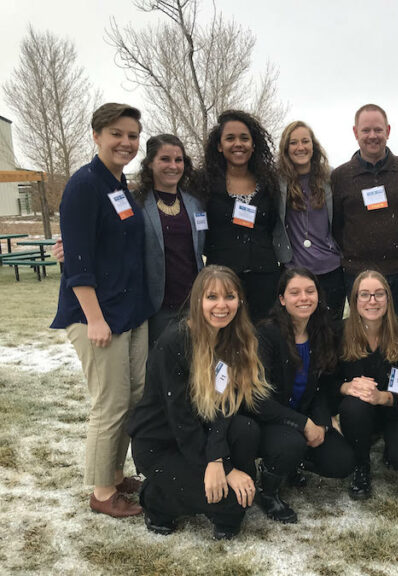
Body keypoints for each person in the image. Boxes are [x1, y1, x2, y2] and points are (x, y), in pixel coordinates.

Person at [51, 103, 153, 518]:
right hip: (97, 316)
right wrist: (94, 317)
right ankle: (102, 492)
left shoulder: (119, 185)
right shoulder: (83, 185)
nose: (126, 142)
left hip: (129, 311)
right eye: (117, 134)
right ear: (96, 135)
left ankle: (113, 472)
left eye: (132, 135)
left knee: (132, 399)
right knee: (110, 403)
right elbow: (77, 260)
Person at [129, 266, 268, 539]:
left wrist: (220, 463)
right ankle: (156, 498)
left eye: (229, 296)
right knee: (229, 503)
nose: (221, 305)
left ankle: (222, 495)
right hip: (160, 444)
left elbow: (223, 409)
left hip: (198, 436)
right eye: (211, 297)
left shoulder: (231, 339)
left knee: (246, 430)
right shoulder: (175, 342)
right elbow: (180, 420)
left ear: (240, 301)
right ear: (197, 301)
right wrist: (219, 465)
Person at [53, 134, 207, 350]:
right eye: (165, 159)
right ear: (150, 163)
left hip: (193, 304)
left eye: (179, 160)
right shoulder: (133, 204)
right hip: (153, 308)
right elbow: (108, 237)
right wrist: (69, 247)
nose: (173, 166)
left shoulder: (195, 204)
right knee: (156, 374)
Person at [253, 268, 355, 521]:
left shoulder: (321, 331)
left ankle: (291, 465)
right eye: (295, 292)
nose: (304, 298)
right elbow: (259, 400)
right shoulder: (266, 334)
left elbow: (322, 387)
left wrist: (320, 422)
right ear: (282, 299)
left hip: (304, 413)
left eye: (310, 291)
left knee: (342, 461)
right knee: (291, 443)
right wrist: (303, 424)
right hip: (267, 419)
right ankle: (268, 492)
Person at [336, 270, 398, 500]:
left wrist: (382, 397)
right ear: (354, 299)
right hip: (356, 413)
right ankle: (361, 465)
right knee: (355, 406)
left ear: (388, 298)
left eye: (379, 294)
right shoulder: (339, 332)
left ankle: (389, 440)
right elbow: (326, 381)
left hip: (396, 410)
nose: (372, 301)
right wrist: (347, 387)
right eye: (364, 295)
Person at [331, 103, 398, 326]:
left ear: (388, 131)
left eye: (378, 130)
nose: (372, 136)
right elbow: (336, 225)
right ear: (355, 133)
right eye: (366, 130)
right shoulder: (339, 177)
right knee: (363, 338)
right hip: (357, 275)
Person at [201, 110, 281, 323]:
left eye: (244, 138)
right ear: (219, 145)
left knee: (263, 340)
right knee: (226, 342)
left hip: (265, 279)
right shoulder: (204, 184)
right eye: (230, 138)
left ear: (253, 145)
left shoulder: (269, 183)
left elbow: (272, 224)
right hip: (222, 281)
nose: (238, 144)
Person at [274, 121, 345, 320]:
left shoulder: (330, 177)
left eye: (305, 141)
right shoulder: (277, 180)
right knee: (297, 332)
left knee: (330, 333)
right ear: (286, 148)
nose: (300, 147)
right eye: (294, 142)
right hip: (294, 271)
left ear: (313, 145)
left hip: (331, 270)